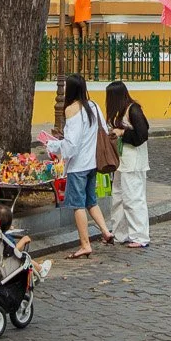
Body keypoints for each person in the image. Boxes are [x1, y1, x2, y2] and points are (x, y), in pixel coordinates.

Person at [44, 74, 116, 257]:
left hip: (78, 165)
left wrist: (53, 146)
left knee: (78, 205)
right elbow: (104, 130)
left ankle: (85, 244)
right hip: (93, 162)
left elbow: (72, 144)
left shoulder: (72, 109)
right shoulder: (93, 106)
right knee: (91, 201)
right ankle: (106, 231)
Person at [105, 81, 152, 247]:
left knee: (133, 199)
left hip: (134, 162)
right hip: (122, 162)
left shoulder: (133, 109)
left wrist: (122, 133)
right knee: (118, 198)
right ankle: (120, 233)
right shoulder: (120, 112)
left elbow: (142, 135)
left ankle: (140, 236)